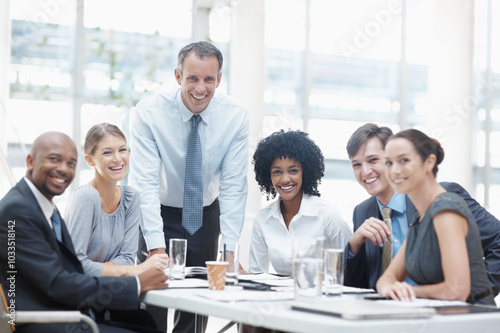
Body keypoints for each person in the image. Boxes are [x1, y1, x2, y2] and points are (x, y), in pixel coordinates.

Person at [129, 41, 249, 333]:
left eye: (209, 79)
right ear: (178, 76)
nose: (200, 88)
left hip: (205, 215)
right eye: (192, 78)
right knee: (154, 302)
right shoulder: (148, 112)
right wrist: (156, 249)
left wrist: (229, 251)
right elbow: (143, 183)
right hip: (158, 210)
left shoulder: (235, 115)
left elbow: (233, 186)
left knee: (196, 307)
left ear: (219, 79)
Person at [0, 132, 168, 333]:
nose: (63, 169)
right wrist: (135, 284)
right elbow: (57, 283)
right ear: (30, 161)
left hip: (64, 313)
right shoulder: (17, 210)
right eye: (54, 159)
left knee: (145, 321)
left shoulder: (42, 206)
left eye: (71, 164)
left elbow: (71, 272)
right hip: (41, 321)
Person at [344, 123, 500, 294]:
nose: (365, 171)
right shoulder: (362, 212)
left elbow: (457, 289)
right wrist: (354, 245)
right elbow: (359, 287)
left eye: (373, 160)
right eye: (356, 164)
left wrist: (479, 291)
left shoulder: (443, 200)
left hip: (445, 313)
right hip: (385, 314)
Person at [65, 123, 168, 277]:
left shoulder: (130, 198)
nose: (117, 158)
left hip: (117, 293)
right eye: (107, 153)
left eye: (122, 150)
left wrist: (98, 269)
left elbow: (127, 259)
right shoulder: (85, 197)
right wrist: (138, 269)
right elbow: (75, 266)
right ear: (89, 160)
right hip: (84, 297)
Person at [248, 129, 351, 275]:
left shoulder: (328, 214)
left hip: (320, 295)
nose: (285, 179)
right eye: (277, 172)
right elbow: (257, 274)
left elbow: (351, 264)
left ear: (305, 171)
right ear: (268, 175)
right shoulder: (263, 219)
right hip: (278, 296)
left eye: (293, 171)